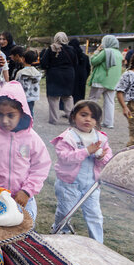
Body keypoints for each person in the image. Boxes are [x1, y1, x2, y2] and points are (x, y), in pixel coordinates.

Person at [0, 81, 51, 221]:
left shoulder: (32, 138)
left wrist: (27, 191)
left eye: (10, 115)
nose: (4, 120)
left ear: (22, 113)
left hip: (22, 199)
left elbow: (41, 167)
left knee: (22, 235)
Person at [50, 100, 113, 243]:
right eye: (83, 115)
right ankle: (60, 233)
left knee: (95, 214)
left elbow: (109, 156)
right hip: (69, 184)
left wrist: (102, 157)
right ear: (73, 116)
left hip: (91, 184)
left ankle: (97, 242)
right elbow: (65, 157)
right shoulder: (68, 137)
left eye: (93, 117)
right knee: (65, 212)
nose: (88, 119)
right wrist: (86, 151)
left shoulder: (100, 138)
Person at [40, 32, 78, 124]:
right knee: (68, 96)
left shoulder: (51, 49)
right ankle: (71, 118)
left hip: (54, 75)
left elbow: (44, 63)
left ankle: (54, 119)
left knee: (53, 97)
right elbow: (75, 63)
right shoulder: (71, 49)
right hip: (69, 74)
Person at [88, 35, 123, 128]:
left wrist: (97, 51)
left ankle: (91, 120)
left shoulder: (106, 51)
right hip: (113, 82)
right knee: (110, 102)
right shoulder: (119, 53)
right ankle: (109, 123)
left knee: (93, 100)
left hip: (100, 80)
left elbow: (93, 61)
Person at [14, 50, 42, 116]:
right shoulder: (36, 73)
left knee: (21, 112)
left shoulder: (21, 72)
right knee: (30, 111)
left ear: (23, 59)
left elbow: (16, 84)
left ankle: (23, 125)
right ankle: (30, 124)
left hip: (22, 96)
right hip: (32, 96)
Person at [68, 38, 90, 104]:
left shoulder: (70, 55)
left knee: (70, 96)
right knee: (80, 95)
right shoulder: (85, 56)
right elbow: (88, 68)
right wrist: (85, 76)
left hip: (72, 77)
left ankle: (71, 111)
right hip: (82, 77)